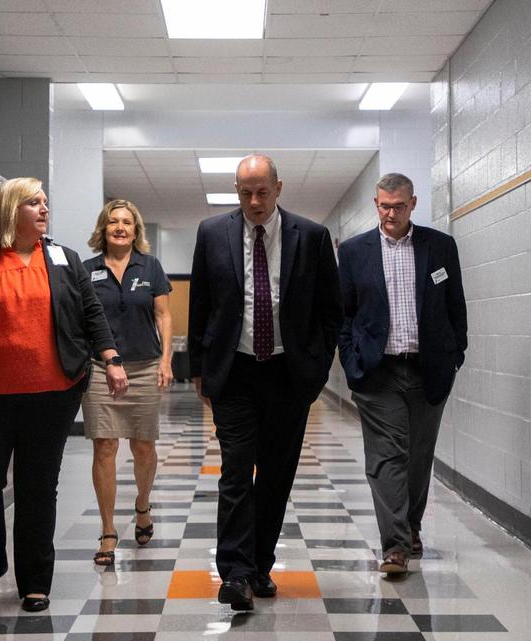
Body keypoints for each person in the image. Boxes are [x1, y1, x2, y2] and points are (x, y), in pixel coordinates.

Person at [0, 177, 128, 612]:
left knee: (38, 487)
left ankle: (35, 582)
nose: (44, 209)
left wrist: (111, 359)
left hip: (52, 394)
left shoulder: (64, 260)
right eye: (34, 203)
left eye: (45, 203)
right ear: (10, 210)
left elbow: (91, 313)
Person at [189, 154, 341, 610]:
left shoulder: (311, 237)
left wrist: (315, 370)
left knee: (276, 476)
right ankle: (234, 573)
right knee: (235, 470)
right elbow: (201, 303)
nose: (253, 201)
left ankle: (259, 566)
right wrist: (200, 368)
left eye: (261, 191)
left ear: (279, 187)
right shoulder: (212, 233)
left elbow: (330, 312)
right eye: (244, 193)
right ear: (237, 192)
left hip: (287, 375)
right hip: (234, 372)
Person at [336, 173, 467, 575]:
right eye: (383, 206)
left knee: (418, 457)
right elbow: (343, 314)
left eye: (398, 206)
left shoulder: (440, 247)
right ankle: (394, 546)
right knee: (387, 455)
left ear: (412, 204)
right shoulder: (356, 251)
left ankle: (410, 526)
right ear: (376, 205)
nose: (390, 213)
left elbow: (456, 307)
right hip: (378, 373)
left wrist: (455, 353)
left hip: (429, 370)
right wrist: (350, 358)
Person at [81, 199, 173, 566]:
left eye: (127, 223)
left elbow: (164, 316)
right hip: (101, 369)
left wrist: (166, 361)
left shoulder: (150, 267)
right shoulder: (86, 270)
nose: (120, 228)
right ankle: (107, 530)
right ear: (102, 229)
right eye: (113, 222)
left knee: (144, 448)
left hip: (144, 365)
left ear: (137, 231)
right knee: (104, 446)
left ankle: (143, 505)